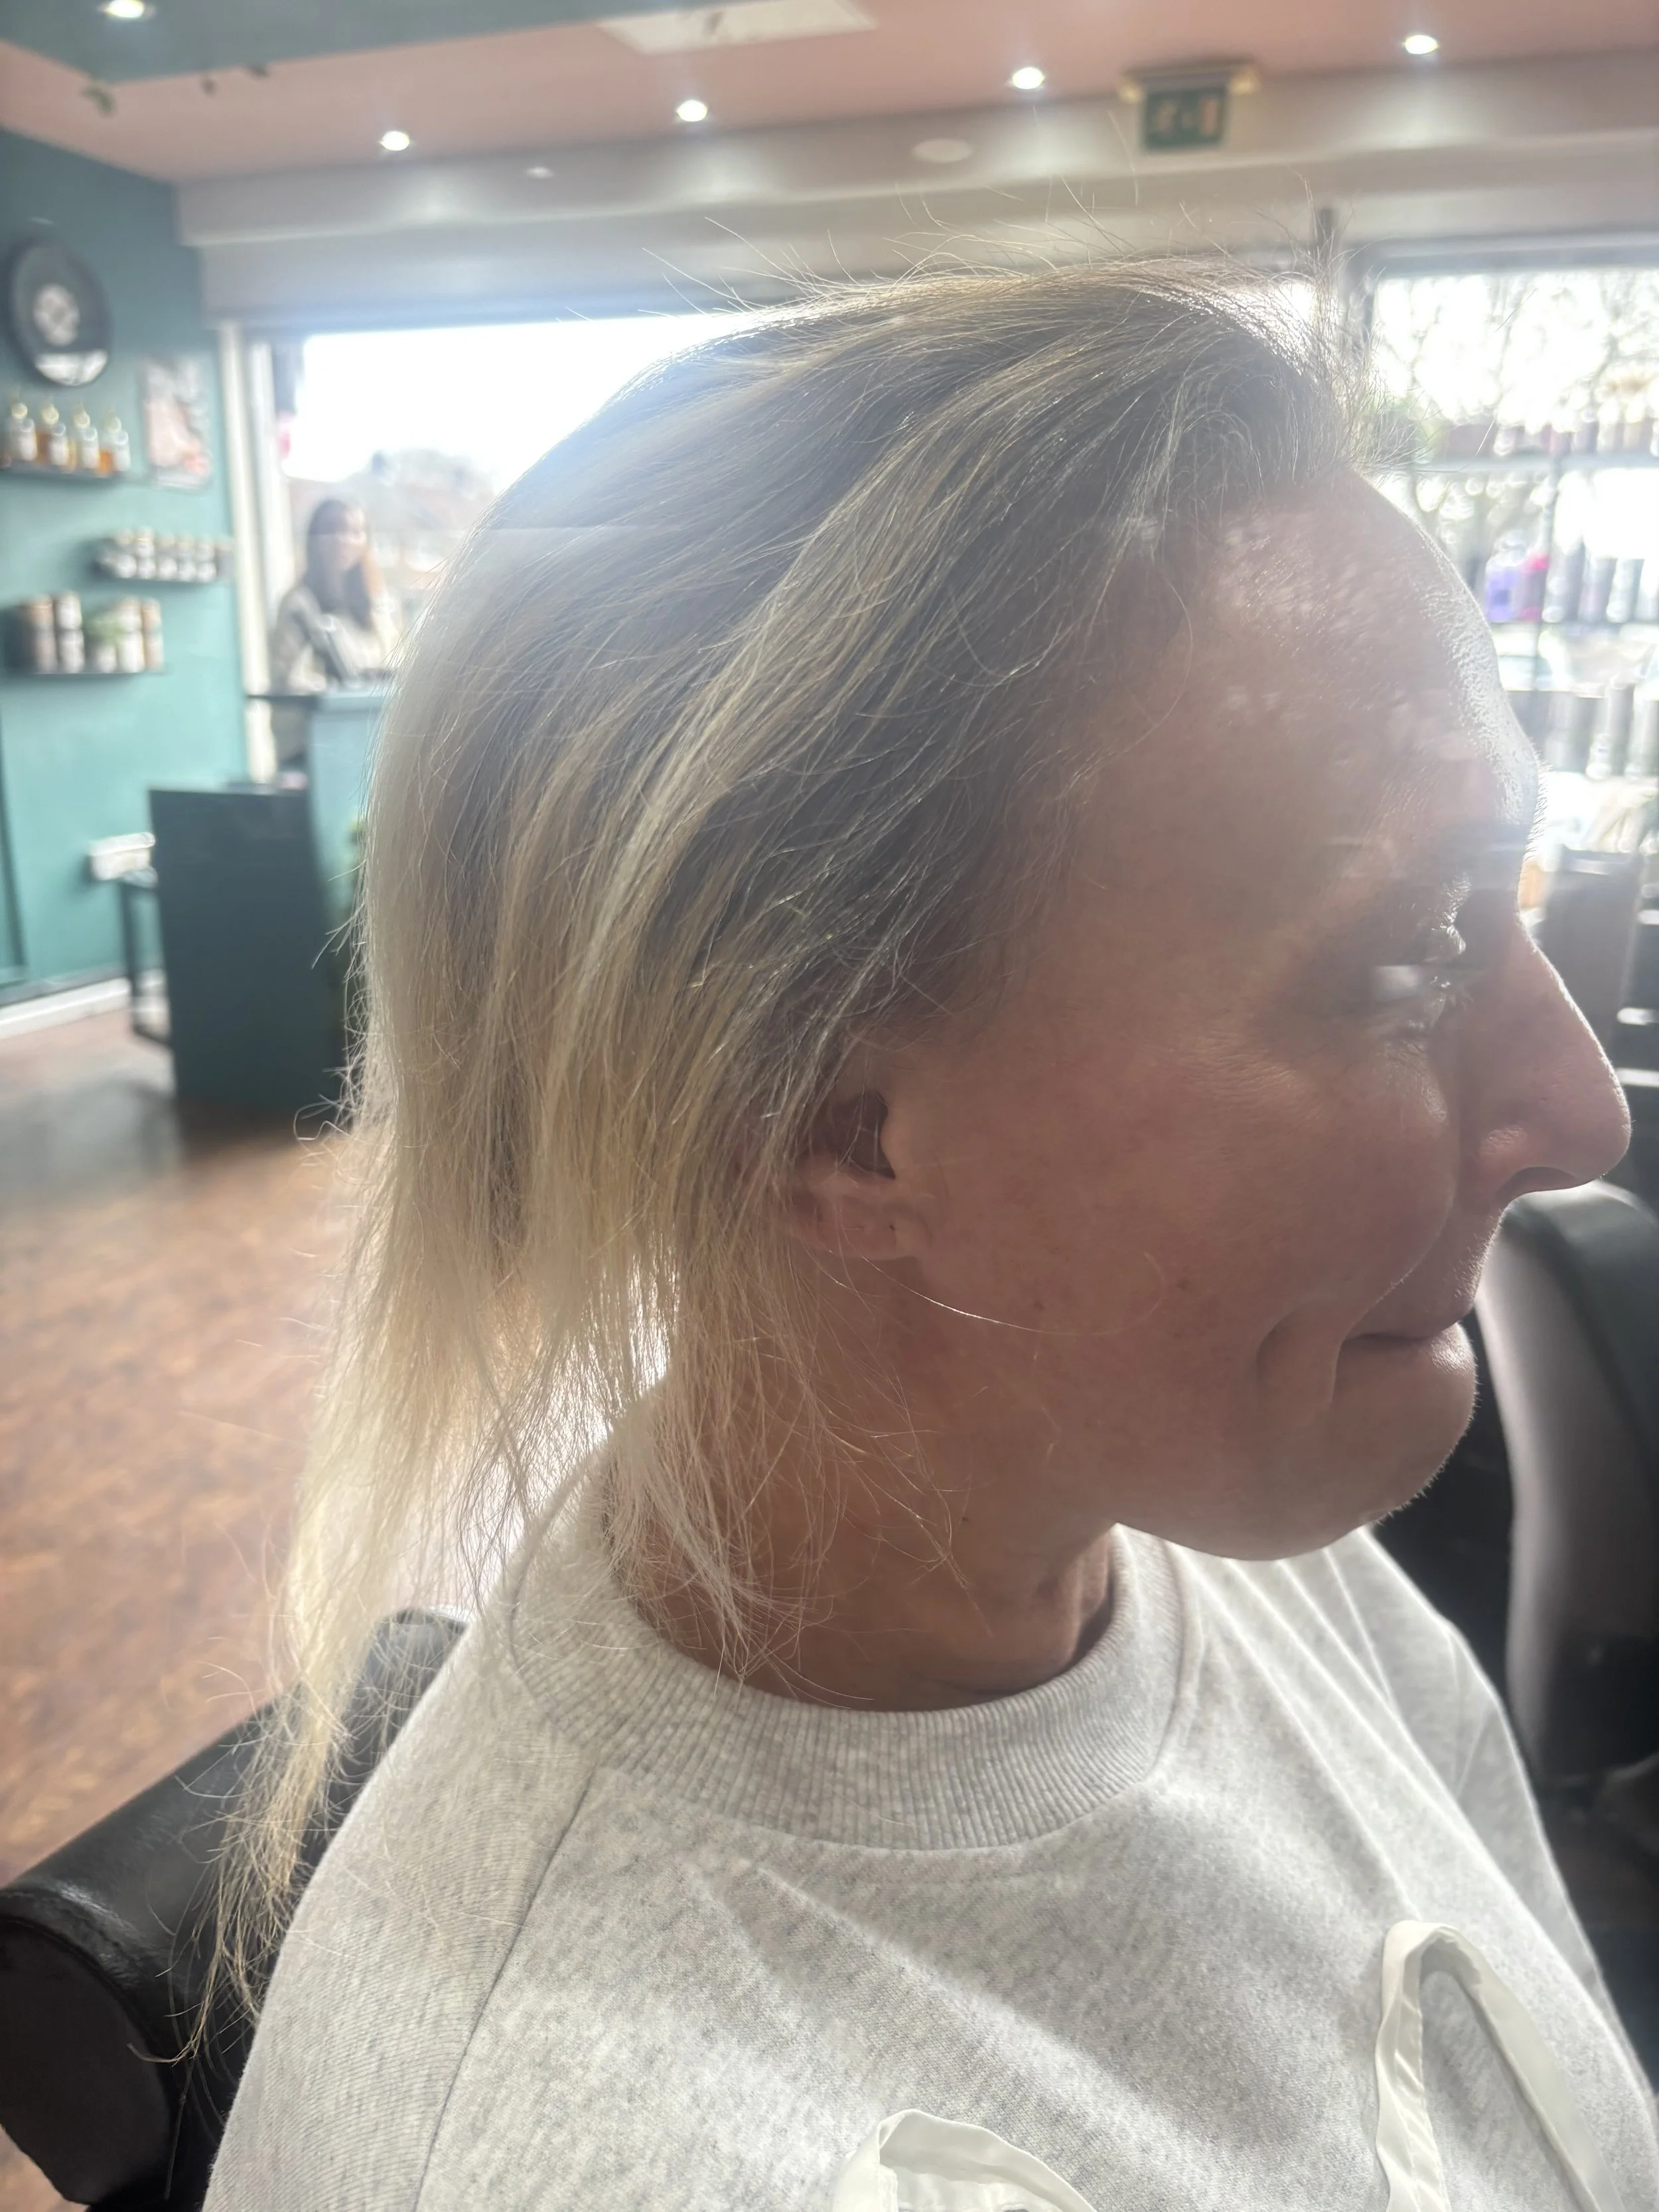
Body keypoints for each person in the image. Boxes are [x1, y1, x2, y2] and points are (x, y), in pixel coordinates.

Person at [206, 265, 1654, 2212]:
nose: (1575, 1110)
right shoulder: (598, 2155)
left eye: (1511, 898)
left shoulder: (1200, 1532)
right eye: (1405, 953)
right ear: (832, 1127)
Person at [267, 499, 399, 759]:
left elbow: (394, 661)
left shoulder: (376, 605)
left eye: (355, 532)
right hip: (314, 747)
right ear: (314, 538)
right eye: (333, 529)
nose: (344, 540)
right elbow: (287, 681)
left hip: (372, 741)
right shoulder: (299, 605)